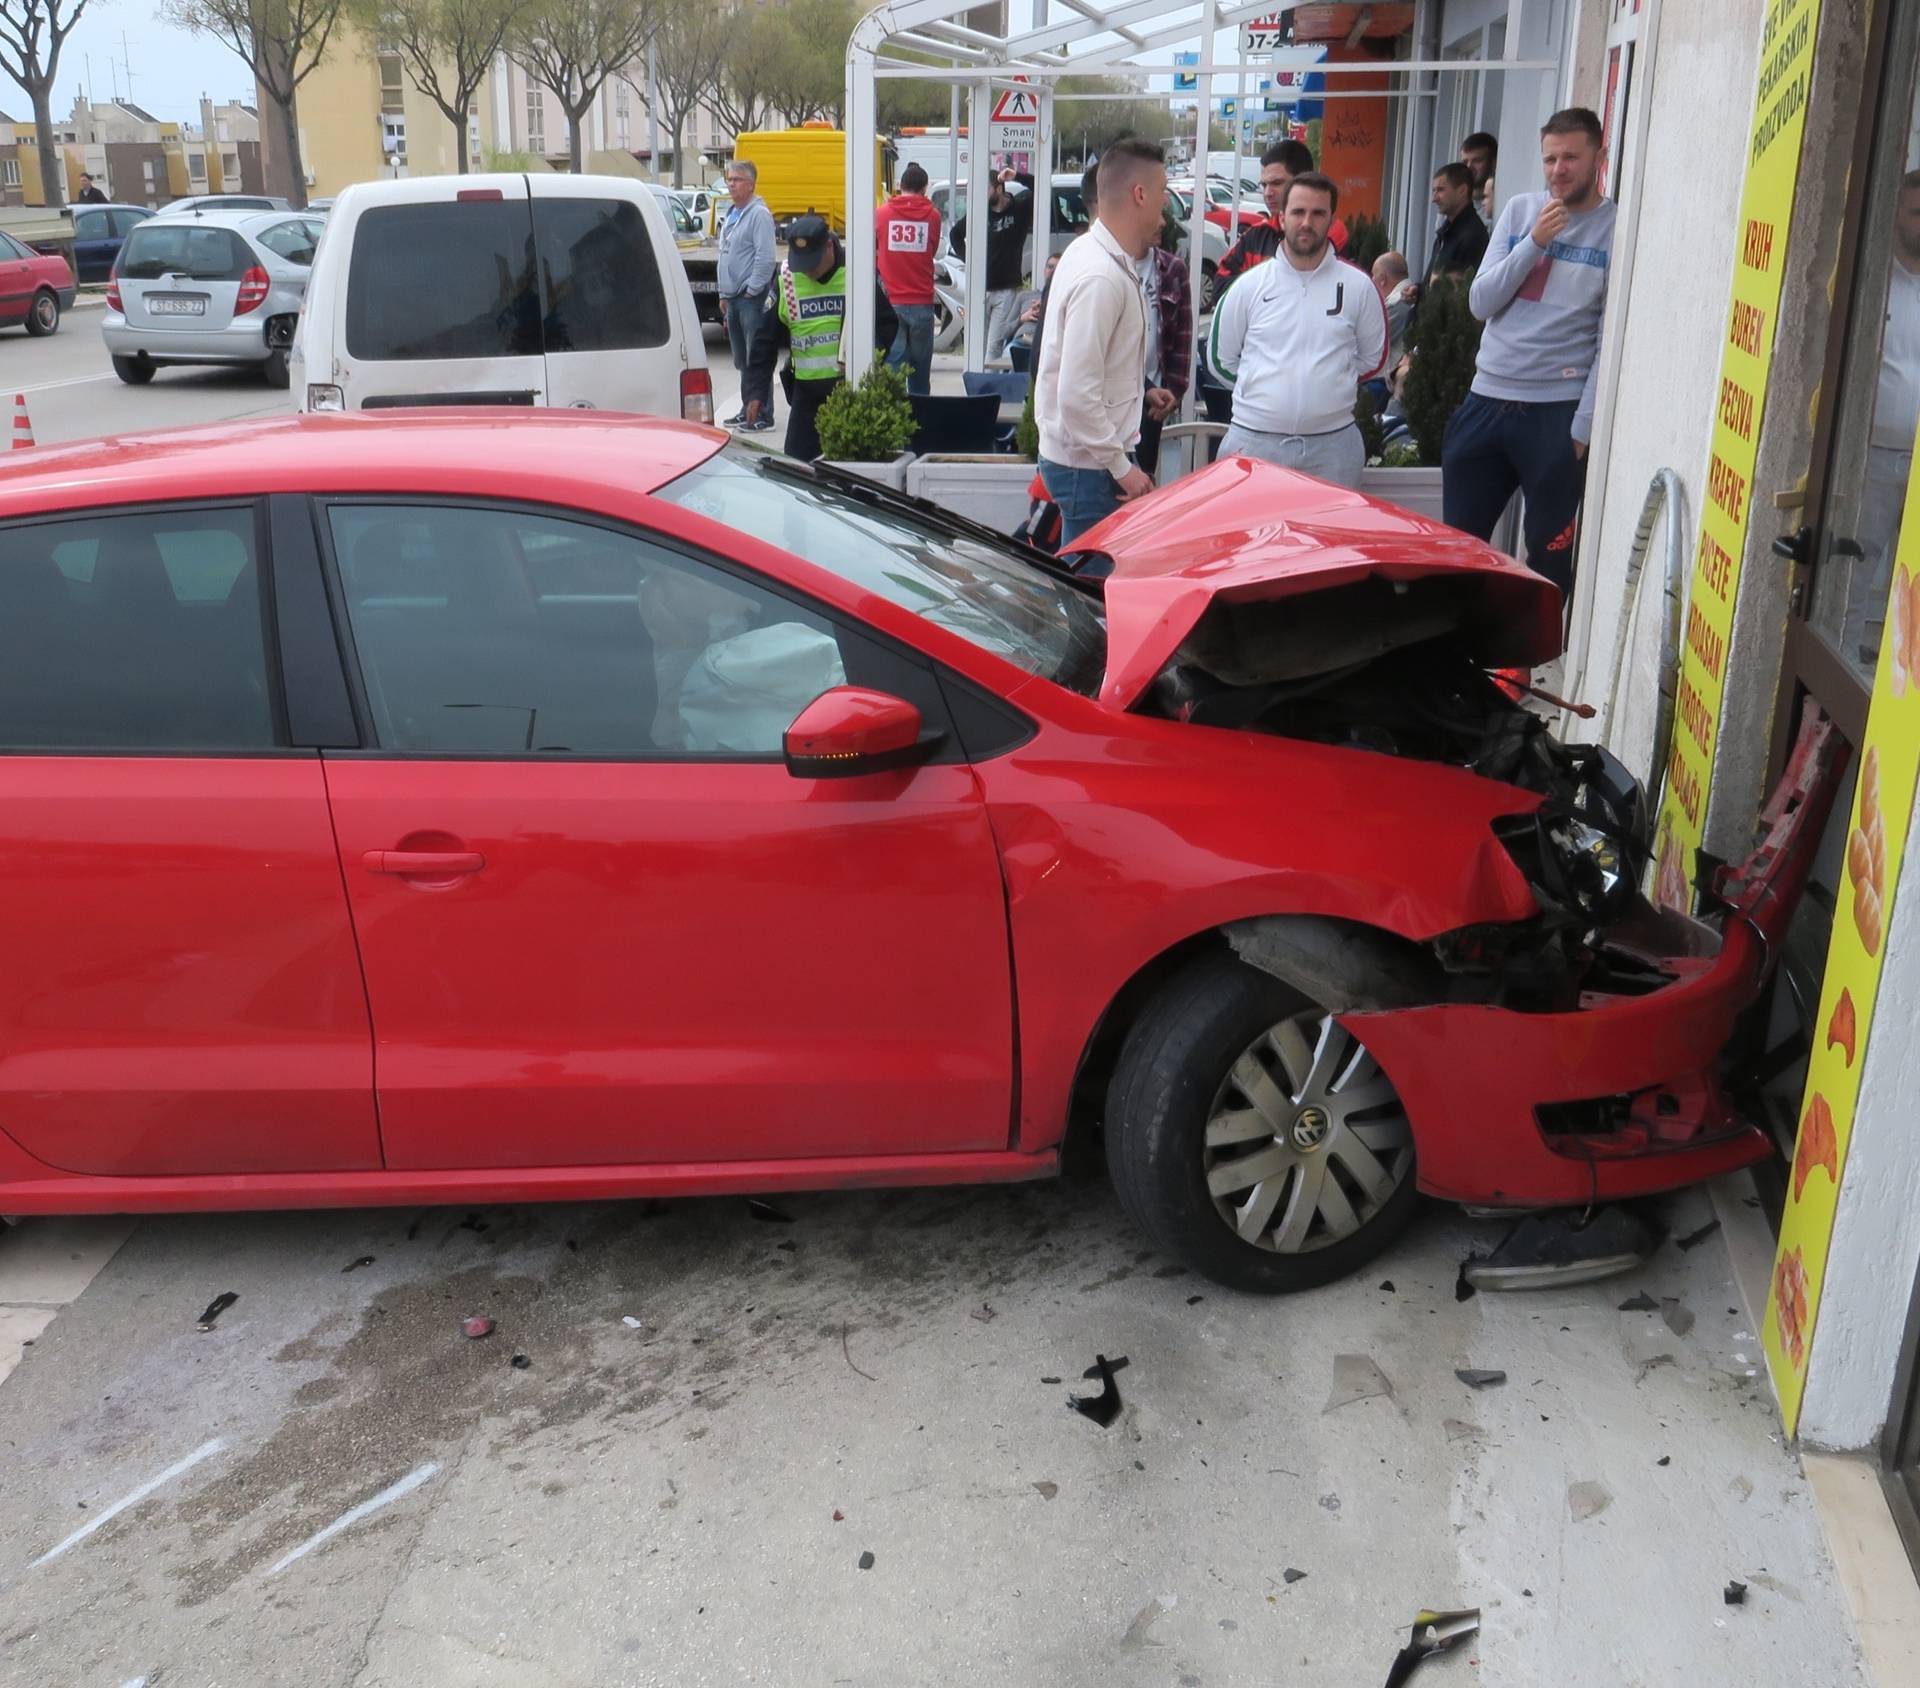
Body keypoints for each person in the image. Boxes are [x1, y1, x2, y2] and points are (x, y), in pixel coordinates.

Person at [1442, 107, 1615, 601]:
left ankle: (1535, 663)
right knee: (1459, 548)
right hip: (1486, 400)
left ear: (1599, 158)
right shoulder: (1520, 211)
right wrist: (1535, 242)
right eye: (1550, 159)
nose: (1559, 169)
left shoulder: (1616, 227)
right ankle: (1459, 653)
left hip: (1555, 413)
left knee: (1549, 556)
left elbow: (1609, 338)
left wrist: (1581, 428)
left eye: (1571, 158)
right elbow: (1481, 302)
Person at [1203, 172, 1386, 489]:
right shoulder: (1247, 287)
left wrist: (1329, 380)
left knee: (1330, 540)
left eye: (1318, 213)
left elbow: (1374, 358)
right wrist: (1263, 387)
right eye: (1298, 212)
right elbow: (1221, 361)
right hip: (1255, 443)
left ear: (1331, 220)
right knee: (1251, 539)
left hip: (1333, 450)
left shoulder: (1359, 287)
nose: (1307, 222)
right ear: (1282, 218)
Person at [1035, 137, 1167, 544]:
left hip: (1085, 462)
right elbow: (1076, 393)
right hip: (1090, 469)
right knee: (1085, 593)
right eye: (1163, 195)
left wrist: (1138, 393)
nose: (1165, 212)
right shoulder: (1102, 276)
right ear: (1140, 195)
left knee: (1079, 583)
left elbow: (1095, 366)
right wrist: (1122, 468)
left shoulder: (1090, 254)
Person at [743, 215, 898, 462]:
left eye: (813, 264)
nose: (808, 271)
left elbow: (887, 324)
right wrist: (756, 391)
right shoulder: (787, 278)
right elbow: (765, 340)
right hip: (806, 397)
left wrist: (867, 359)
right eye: (802, 264)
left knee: (850, 470)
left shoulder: (856, 272)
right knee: (796, 469)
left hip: (850, 392)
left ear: (828, 246)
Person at [1213, 139, 1349, 296]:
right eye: (1264, 185)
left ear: (1304, 179)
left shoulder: (1333, 236)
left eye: (1277, 183)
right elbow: (1220, 286)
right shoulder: (1256, 236)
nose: (1267, 193)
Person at [716, 161, 778, 431]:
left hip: (750, 298)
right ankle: (746, 408)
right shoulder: (732, 214)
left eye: (738, 179)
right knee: (742, 360)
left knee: (757, 357)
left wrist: (752, 289)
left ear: (751, 184)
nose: (731, 184)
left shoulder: (758, 215)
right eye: (729, 179)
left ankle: (763, 413)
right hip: (733, 298)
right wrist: (723, 292)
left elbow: (765, 258)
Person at [951, 169, 1035, 359]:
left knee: (994, 346)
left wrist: (1016, 176)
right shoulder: (980, 212)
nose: (981, 194)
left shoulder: (1019, 208)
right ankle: (978, 384)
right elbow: (955, 235)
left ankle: (989, 386)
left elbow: (1040, 187)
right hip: (980, 289)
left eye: (985, 189)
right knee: (976, 345)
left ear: (998, 188)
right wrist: (969, 260)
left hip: (1006, 290)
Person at [876, 162, 941, 395]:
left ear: (899, 186)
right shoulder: (933, 216)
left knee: (893, 369)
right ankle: (920, 421)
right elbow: (931, 251)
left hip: (891, 302)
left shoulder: (882, 215)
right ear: (925, 188)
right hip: (922, 301)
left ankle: (894, 423)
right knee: (920, 371)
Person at [1427, 162, 1489, 284]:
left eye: (1440, 190)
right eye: (1434, 191)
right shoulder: (1446, 232)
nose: (1434, 198)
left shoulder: (1473, 236)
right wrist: (1419, 290)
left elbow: (1461, 292)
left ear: (1462, 190)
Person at [1372, 251, 1417, 396]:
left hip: (1385, 384)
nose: (1371, 281)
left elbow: (1370, 341)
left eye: (1373, 275)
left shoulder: (1397, 303)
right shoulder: (1409, 298)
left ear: (1383, 279)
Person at [1461, 130, 1498, 222]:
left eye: (1477, 161)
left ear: (1494, 163)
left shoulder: (1499, 202)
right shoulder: (1453, 204)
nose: (1469, 167)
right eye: (1465, 162)